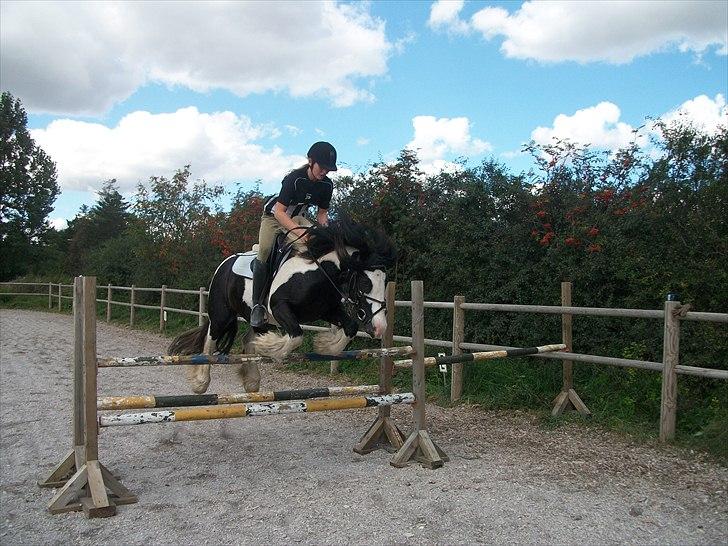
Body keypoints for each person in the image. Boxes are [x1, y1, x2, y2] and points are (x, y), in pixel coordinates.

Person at [249, 141, 338, 327]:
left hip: (298, 217)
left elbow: (322, 214)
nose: (324, 172)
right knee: (264, 250)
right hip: (274, 218)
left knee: (317, 247)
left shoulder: (327, 186)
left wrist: (326, 233)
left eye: (328, 169)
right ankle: (257, 306)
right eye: (322, 167)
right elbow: (280, 212)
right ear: (310, 161)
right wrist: (298, 232)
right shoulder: (294, 179)